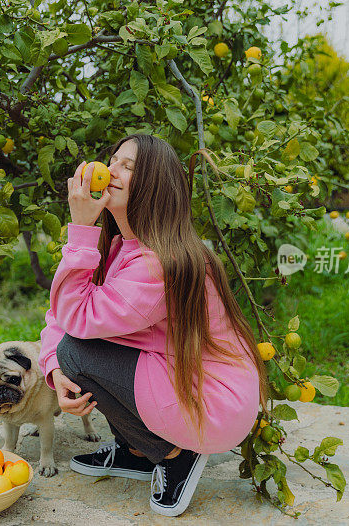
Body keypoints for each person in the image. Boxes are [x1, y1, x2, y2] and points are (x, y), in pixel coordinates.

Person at [38, 134, 269, 517]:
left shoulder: (157, 263)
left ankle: (174, 454)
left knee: (77, 351)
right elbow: (61, 314)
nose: (111, 171)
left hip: (212, 403)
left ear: (154, 187)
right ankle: (137, 452)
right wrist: (54, 368)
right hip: (182, 375)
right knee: (71, 352)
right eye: (112, 161)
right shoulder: (119, 248)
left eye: (128, 167)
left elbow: (75, 317)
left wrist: (80, 227)